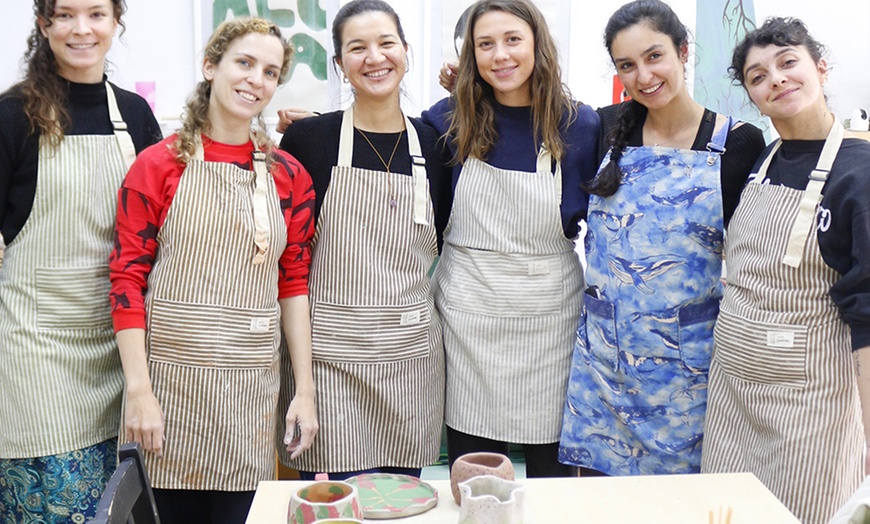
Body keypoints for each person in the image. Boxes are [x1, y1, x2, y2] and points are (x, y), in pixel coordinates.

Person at [109, 17, 317, 522]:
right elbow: (126, 281)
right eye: (243, 63)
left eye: (270, 72)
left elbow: (293, 285)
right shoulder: (156, 166)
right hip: (167, 393)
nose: (255, 80)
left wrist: (306, 391)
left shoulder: (289, 177)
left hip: (247, 395)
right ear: (210, 66)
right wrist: (138, 391)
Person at [557, 0, 765, 477]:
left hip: (687, 376)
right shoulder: (603, 127)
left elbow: (756, 250)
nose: (643, 76)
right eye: (626, 65)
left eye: (654, 56)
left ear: (683, 52)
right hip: (604, 368)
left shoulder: (739, 144)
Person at [701, 17, 870, 524]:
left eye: (788, 62)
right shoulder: (760, 156)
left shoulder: (858, 173)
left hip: (809, 405)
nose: (775, 78)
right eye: (757, 76)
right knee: (725, 511)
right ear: (753, 97)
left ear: (820, 68)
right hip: (733, 389)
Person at [421, 0, 599, 477]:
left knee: (553, 476)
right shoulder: (445, 120)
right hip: (468, 320)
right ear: (469, 56)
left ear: (538, 44)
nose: (500, 55)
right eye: (485, 44)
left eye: (513, 39)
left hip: (549, 320)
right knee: (473, 471)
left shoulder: (580, 125)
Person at [0, 0, 161, 521]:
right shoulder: (13, 114)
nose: (81, 29)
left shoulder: (134, 115)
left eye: (95, 13)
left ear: (117, 22)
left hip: (118, 347)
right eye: (65, 14)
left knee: (114, 509)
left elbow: (163, 225)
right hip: (34, 351)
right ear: (44, 24)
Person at [275, 0, 450, 480]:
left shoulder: (435, 146)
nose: (375, 57)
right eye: (357, 48)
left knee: (402, 501)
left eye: (386, 43)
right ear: (339, 64)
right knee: (334, 504)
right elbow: (286, 262)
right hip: (329, 363)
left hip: (410, 362)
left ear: (406, 52)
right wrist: (302, 382)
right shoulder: (309, 140)